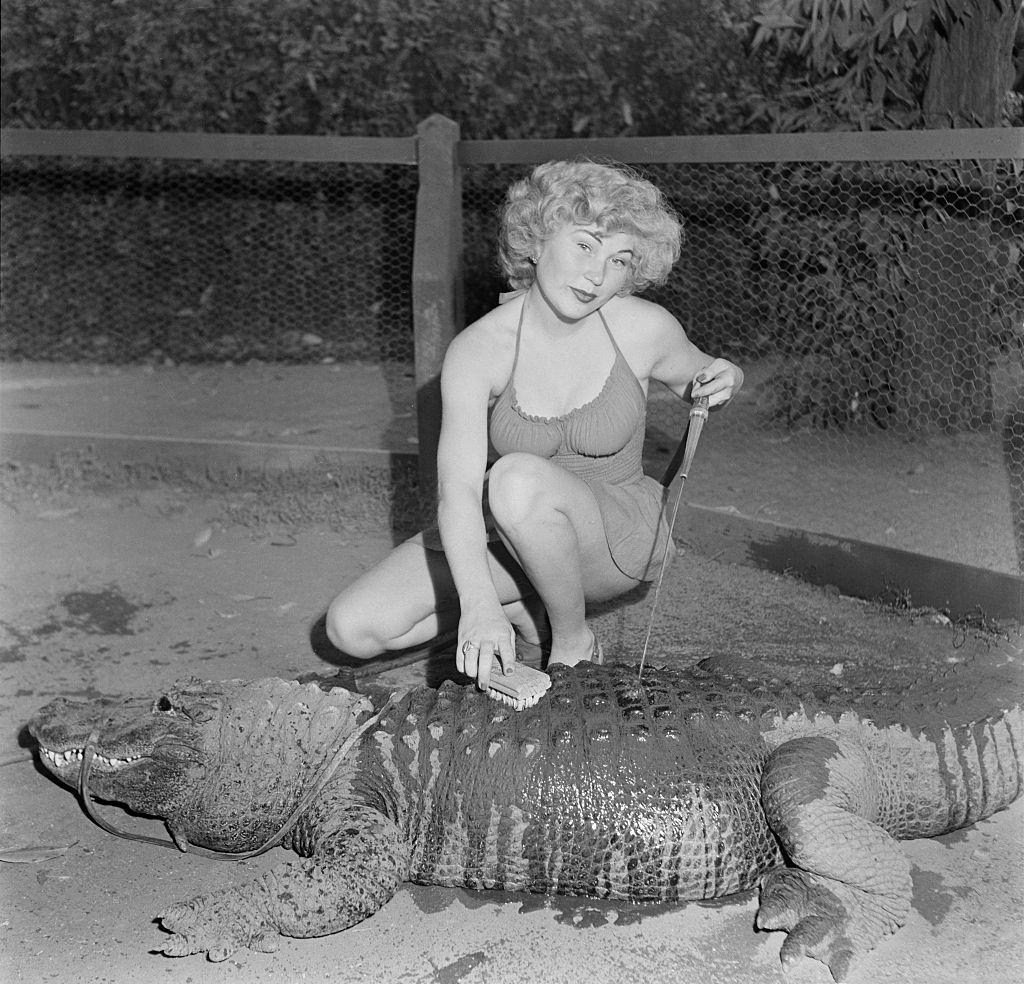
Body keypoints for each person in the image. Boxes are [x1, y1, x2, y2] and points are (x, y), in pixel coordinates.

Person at [325, 159, 742, 696]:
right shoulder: (479, 349)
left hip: (615, 538)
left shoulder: (643, 328)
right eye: (585, 245)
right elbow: (455, 489)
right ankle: (521, 607)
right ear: (538, 238)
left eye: (620, 259)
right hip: (514, 530)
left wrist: (727, 377)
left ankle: (571, 641)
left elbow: (704, 380)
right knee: (352, 628)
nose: (597, 275)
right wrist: (478, 606)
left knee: (515, 479)